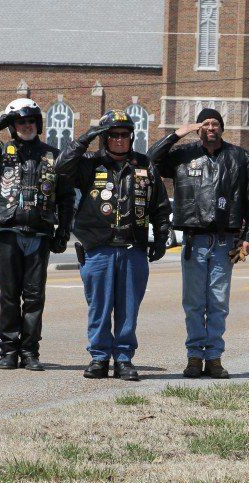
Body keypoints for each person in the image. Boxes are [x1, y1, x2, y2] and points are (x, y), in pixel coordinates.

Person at [56, 110, 172, 380]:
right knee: (99, 306)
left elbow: (161, 206)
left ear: (131, 137)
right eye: (113, 135)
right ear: (104, 138)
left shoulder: (145, 165)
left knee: (128, 308)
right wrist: (85, 138)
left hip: (133, 248)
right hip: (98, 249)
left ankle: (123, 358)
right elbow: (61, 167)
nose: (119, 140)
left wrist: (161, 238)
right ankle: (98, 357)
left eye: (124, 135)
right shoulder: (89, 164)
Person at [0, 98, 74, 370]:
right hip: (8, 230)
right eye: (20, 122)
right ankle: (8, 350)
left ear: (39, 124)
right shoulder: (0, 152)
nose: (26, 126)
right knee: (10, 294)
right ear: (13, 126)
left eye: (30, 121)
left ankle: (30, 351)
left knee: (35, 296)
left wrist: (63, 231)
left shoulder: (53, 155)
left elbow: (66, 198)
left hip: (39, 232)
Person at [148, 108, 249, 379]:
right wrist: (176, 134)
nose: (211, 127)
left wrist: (248, 240)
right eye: (206, 123)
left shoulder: (239, 157)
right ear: (198, 127)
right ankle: (195, 357)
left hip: (226, 242)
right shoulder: (183, 155)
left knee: (218, 302)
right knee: (194, 303)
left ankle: (215, 358)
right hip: (194, 241)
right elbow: (151, 160)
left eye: (216, 123)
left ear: (222, 128)